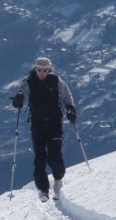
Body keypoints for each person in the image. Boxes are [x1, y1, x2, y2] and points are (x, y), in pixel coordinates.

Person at [11, 57, 77, 202]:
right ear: (35, 69)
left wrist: (70, 108)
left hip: (55, 123)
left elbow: (66, 95)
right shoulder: (29, 82)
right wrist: (18, 100)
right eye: (39, 70)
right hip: (38, 125)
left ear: (49, 70)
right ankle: (43, 190)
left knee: (55, 157)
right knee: (40, 159)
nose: (41, 73)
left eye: (44, 70)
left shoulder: (56, 81)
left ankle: (58, 181)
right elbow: (20, 96)